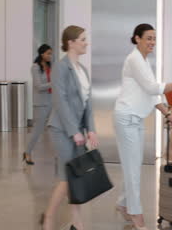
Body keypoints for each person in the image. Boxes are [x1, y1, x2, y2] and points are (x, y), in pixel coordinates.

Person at [114, 23, 172, 230]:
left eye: (154, 38)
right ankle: (137, 215)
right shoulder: (134, 59)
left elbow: (151, 93)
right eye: (148, 38)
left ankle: (122, 204)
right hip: (126, 118)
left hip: (135, 119)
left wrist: (167, 113)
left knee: (134, 166)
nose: (152, 42)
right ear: (137, 38)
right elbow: (151, 87)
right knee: (132, 170)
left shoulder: (144, 61)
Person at [41, 25, 99, 230]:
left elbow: (88, 102)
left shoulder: (82, 70)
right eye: (82, 39)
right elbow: (61, 101)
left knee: (76, 177)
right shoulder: (60, 67)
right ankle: (48, 217)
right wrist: (74, 130)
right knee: (67, 177)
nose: (86, 43)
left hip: (78, 132)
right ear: (70, 43)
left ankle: (77, 223)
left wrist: (90, 129)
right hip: (61, 129)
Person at [23, 44, 53, 165]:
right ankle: (27, 152)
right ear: (42, 54)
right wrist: (53, 82)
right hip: (41, 104)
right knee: (37, 131)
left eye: (51, 53)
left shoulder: (50, 66)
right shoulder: (35, 67)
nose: (50, 56)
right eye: (48, 53)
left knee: (59, 127)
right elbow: (39, 86)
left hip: (51, 102)